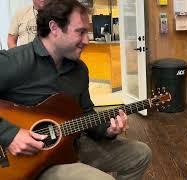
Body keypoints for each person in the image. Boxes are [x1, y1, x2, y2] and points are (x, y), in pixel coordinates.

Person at [0, 0, 151, 179]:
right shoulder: (14, 62)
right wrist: (10, 135)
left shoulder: (79, 69)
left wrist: (107, 130)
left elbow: (85, 112)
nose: (86, 40)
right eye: (80, 32)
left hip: (71, 144)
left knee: (140, 154)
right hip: (31, 162)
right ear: (54, 28)